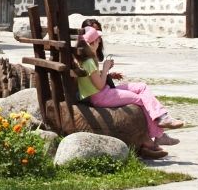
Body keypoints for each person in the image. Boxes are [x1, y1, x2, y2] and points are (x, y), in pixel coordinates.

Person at [73, 23, 181, 157]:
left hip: (103, 92)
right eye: (98, 40)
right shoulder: (89, 62)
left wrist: (106, 72)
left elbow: (94, 81)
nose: (100, 42)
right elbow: (99, 86)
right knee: (139, 99)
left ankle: (163, 118)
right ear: (92, 43)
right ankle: (156, 136)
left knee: (142, 87)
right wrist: (106, 68)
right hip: (101, 96)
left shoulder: (87, 59)